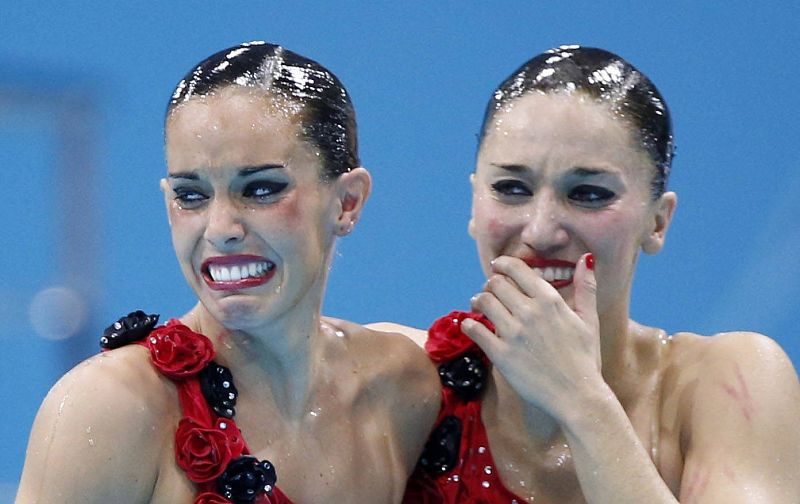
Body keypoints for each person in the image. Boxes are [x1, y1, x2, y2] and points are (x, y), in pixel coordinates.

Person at [16, 41, 439, 503]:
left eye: (260, 189)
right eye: (191, 195)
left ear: (347, 201)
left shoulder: (407, 388)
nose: (220, 229)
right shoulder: (111, 410)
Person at [380, 45, 800, 503]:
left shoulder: (720, 388)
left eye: (588, 194)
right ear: (474, 204)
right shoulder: (398, 388)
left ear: (657, 222)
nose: (540, 231)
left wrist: (582, 402)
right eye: (511, 188)